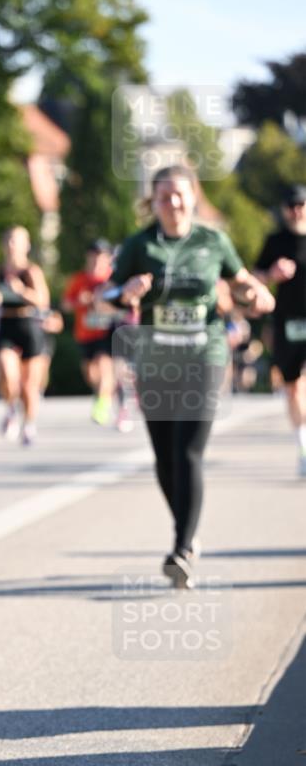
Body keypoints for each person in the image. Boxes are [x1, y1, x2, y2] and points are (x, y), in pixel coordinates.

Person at [107, 165, 274, 588]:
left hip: (205, 355)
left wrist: (257, 292)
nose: (174, 203)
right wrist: (124, 293)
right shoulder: (139, 245)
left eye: (180, 195)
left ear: (193, 196)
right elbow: (103, 293)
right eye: (164, 197)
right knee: (164, 459)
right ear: (153, 201)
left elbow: (240, 281)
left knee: (188, 451)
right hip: (155, 363)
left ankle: (181, 549)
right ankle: (188, 531)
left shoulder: (212, 240)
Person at [254, 184, 306, 477]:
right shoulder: (275, 242)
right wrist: (271, 274)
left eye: (301, 205)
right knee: (294, 387)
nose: (297, 211)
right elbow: (252, 277)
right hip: (287, 323)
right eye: (291, 206)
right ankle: (303, 446)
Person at [0, 226, 50, 445]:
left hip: (28, 324)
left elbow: (43, 300)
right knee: (7, 373)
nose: (12, 246)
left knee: (29, 386)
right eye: (9, 241)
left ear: (27, 245)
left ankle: (29, 424)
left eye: (17, 241)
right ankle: (11, 409)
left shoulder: (32, 272)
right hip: (6, 324)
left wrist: (21, 290)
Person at [62, 239, 123, 426]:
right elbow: (65, 305)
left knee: (104, 367)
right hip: (85, 334)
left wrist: (104, 305)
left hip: (107, 333)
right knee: (91, 374)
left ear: (108, 259)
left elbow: (124, 307)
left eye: (101, 257)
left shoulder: (113, 279)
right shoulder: (79, 279)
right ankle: (104, 394)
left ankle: (103, 405)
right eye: (93, 257)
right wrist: (80, 301)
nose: (96, 261)